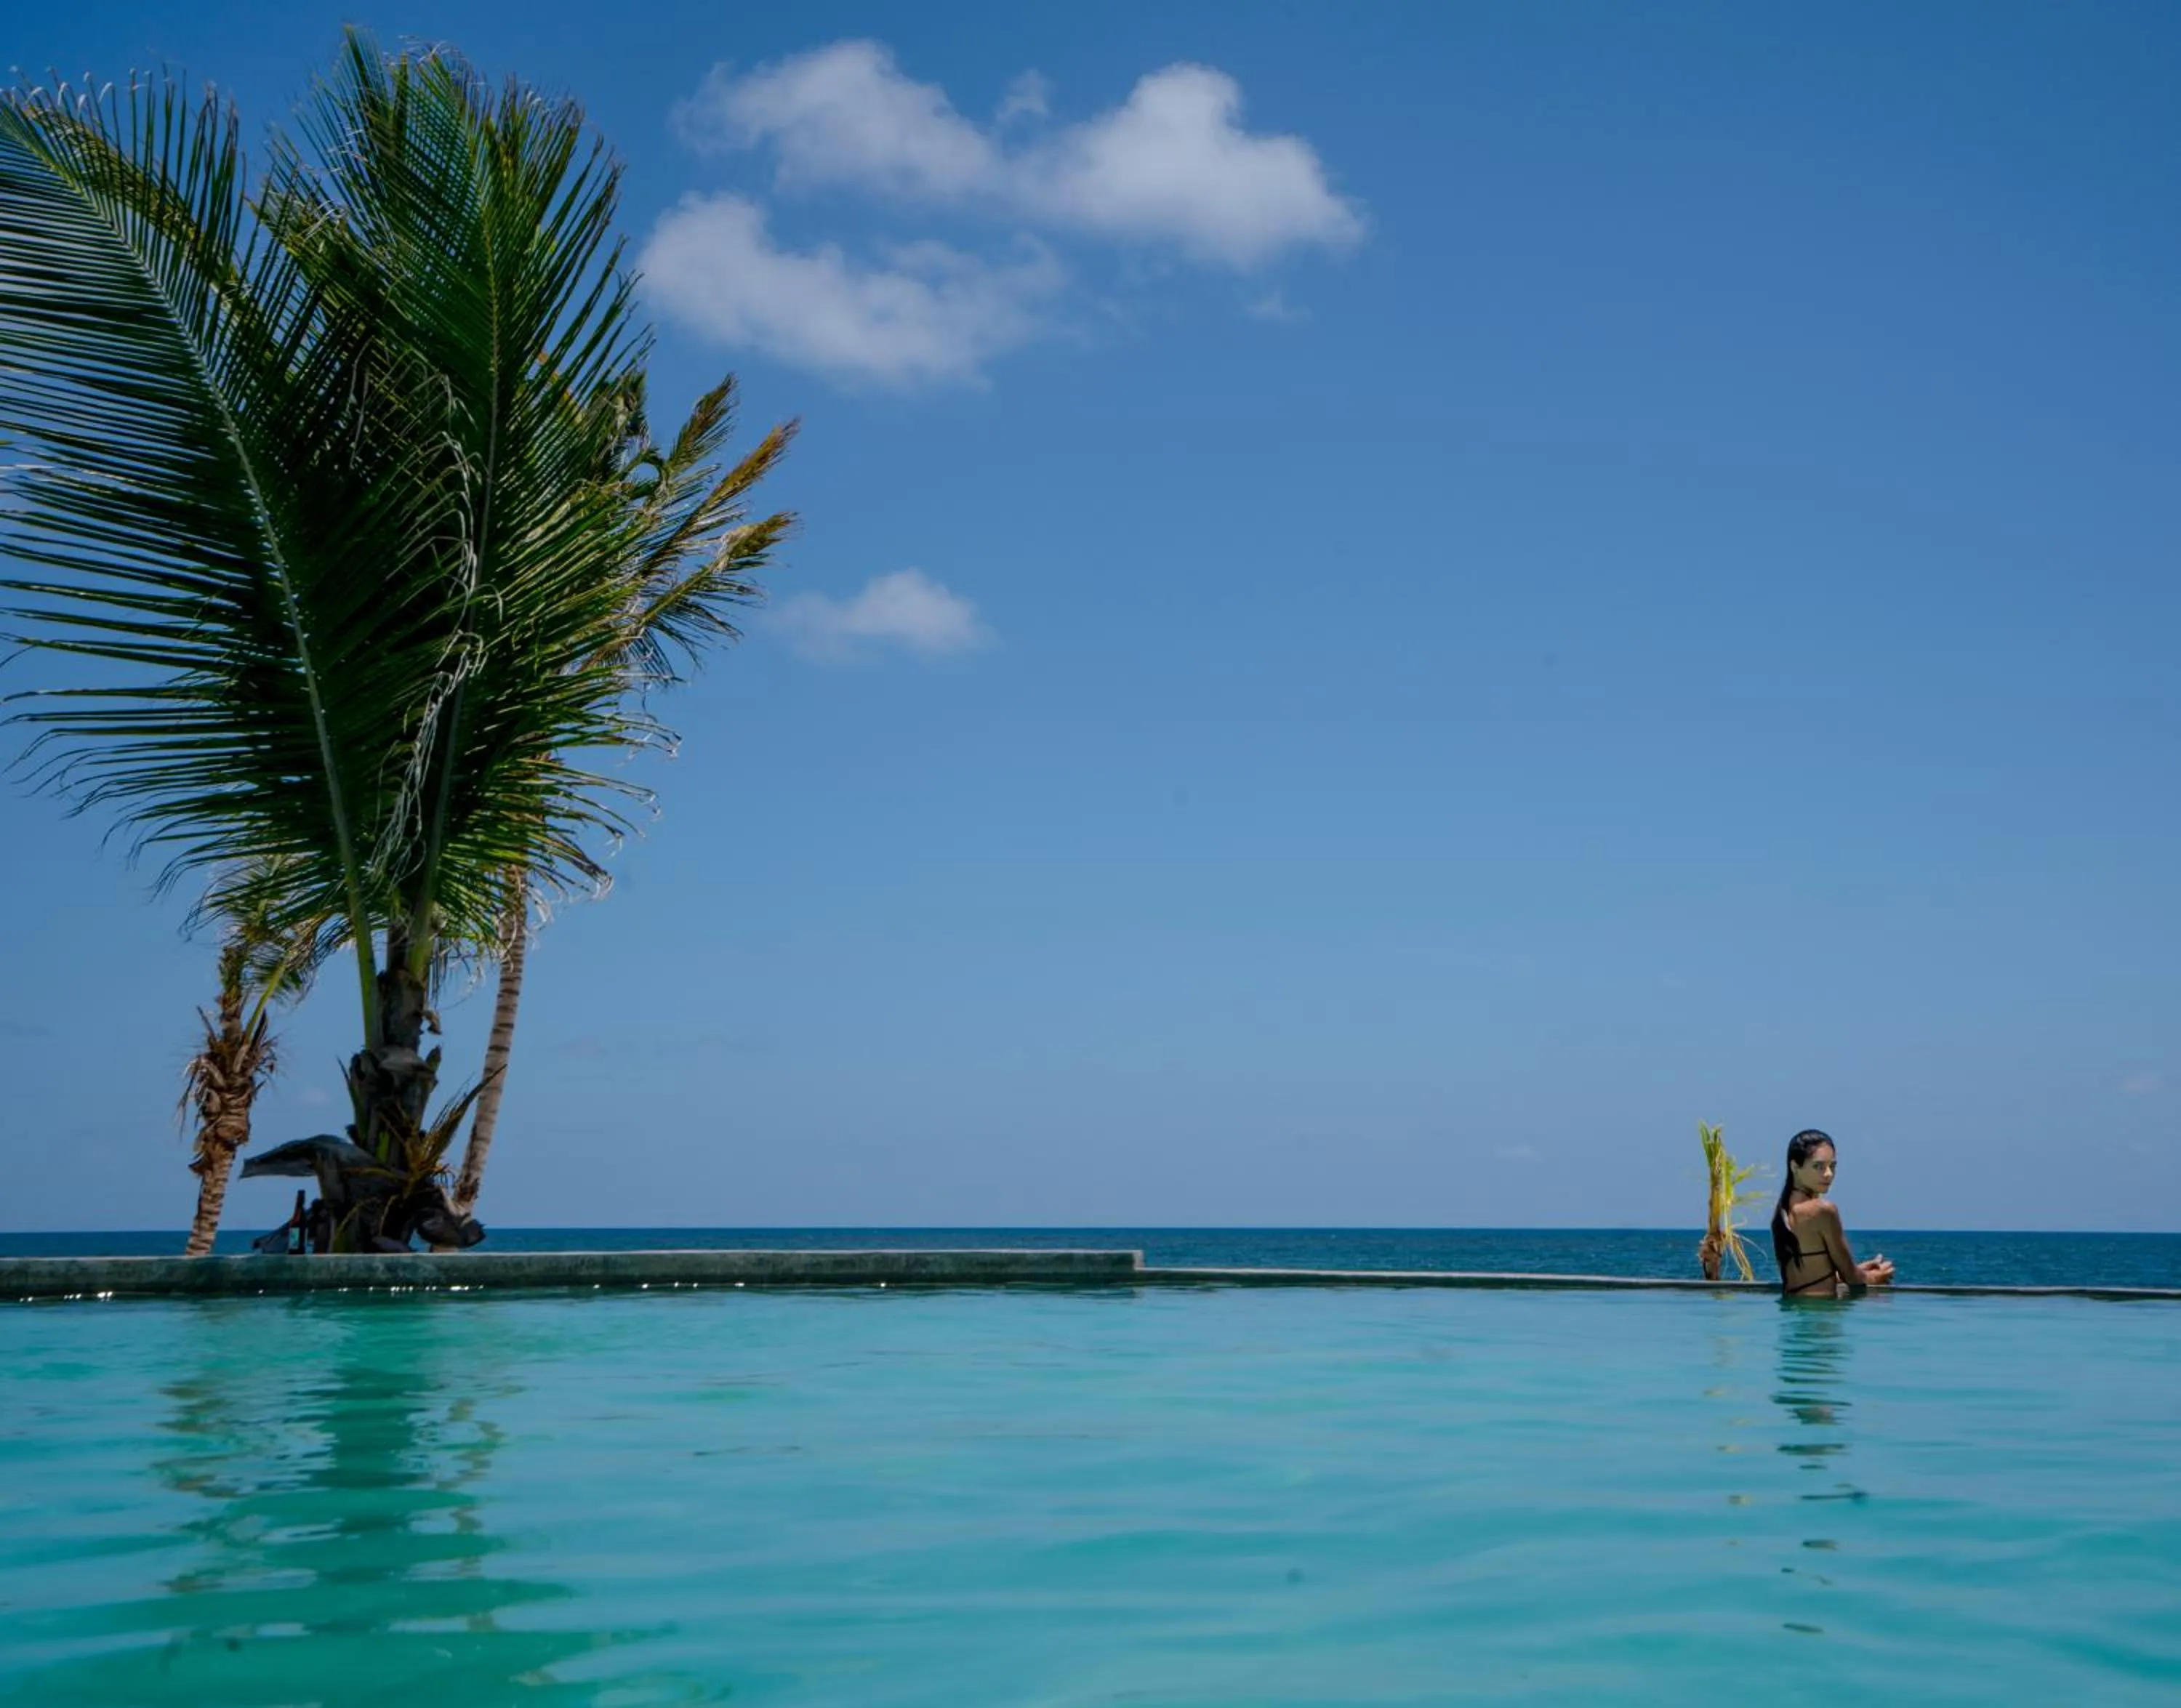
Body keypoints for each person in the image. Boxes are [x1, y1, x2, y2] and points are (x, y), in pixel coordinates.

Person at [1771, 1129, 1895, 1297]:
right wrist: (1878, 1276)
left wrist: (1860, 1269)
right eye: (1818, 1166)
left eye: (1833, 1166)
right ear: (1795, 1167)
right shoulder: (1822, 1210)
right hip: (1822, 1318)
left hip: (1794, 1315)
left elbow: (1806, 1278)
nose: (1829, 1174)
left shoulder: (1781, 1214)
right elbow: (1853, 1279)